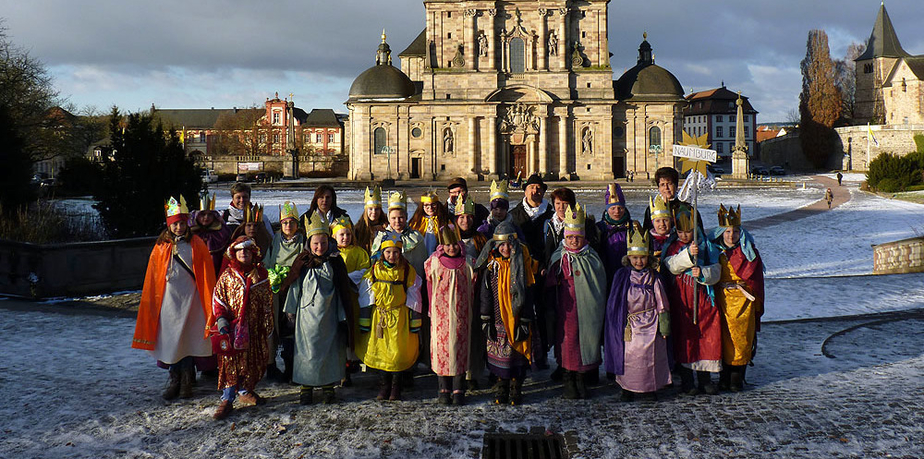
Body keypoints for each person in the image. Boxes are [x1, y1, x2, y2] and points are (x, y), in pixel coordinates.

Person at [133, 196, 217, 401]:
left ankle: (187, 380)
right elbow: (154, 276)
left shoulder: (196, 244)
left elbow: (205, 273)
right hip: (169, 301)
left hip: (191, 301)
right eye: (175, 224)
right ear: (169, 226)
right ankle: (175, 379)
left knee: (187, 340)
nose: (178, 227)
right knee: (172, 340)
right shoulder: (161, 246)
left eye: (181, 223)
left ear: (187, 223)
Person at [282, 213, 355, 405]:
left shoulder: (335, 261)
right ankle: (306, 387)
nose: (319, 247)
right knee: (306, 351)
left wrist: (342, 315)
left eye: (323, 243)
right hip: (306, 318)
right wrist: (290, 310)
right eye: (315, 244)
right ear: (309, 243)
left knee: (328, 351)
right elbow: (294, 286)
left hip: (329, 315)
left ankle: (328, 386)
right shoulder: (303, 262)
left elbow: (341, 290)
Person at [604, 221, 672, 401]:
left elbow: (662, 302)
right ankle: (627, 388)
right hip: (630, 324)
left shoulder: (654, 278)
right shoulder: (622, 276)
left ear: (647, 258)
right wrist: (617, 322)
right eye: (635, 258)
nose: (638, 261)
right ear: (629, 258)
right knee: (630, 357)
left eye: (642, 258)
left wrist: (664, 326)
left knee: (650, 359)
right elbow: (616, 302)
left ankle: (650, 388)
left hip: (651, 321)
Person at [545, 203, 607, 399]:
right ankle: (568, 379)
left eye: (577, 238)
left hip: (587, 310)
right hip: (566, 309)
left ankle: (581, 377)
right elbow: (549, 282)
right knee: (567, 343)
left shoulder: (592, 257)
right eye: (569, 237)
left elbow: (599, 283)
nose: (573, 241)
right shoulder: (559, 256)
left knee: (585, 343)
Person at [209, 236, 274, 420]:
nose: (243, 253)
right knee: (230, 363)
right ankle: (227, 398)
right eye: (239, 250)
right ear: (234, 254)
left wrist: (267, 325)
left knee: (252, 360)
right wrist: (221, 320)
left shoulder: (261, 275)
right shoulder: (227, 276)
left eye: (247, 250)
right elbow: (219, 300)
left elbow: (267, 303)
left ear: (253, 253)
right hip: (232, 329)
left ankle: (245, 390)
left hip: (253, 329)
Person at [662, 204, 722, 396]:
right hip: (682, 298)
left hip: (703, 298)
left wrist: (703, 273)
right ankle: (688, 380)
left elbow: (717, 270)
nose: (684, 235)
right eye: (680, 231)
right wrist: (688, 255)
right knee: (685, 337)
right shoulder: (673, 246)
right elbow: (670, 265)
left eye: (688, 231)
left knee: (705, 335)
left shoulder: (706, 245)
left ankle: (705, 378)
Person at [476, 221, 538, 405]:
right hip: (498, 319)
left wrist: (525, 320)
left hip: (517, 319)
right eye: (501, 244)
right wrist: (486, 319)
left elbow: (528, 294)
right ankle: (501, 385)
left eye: (509, 244)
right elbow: (485, 295)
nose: (505, 248)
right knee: (499, 358)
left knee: (516, 358)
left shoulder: (523, 265)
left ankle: (515, 387)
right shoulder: (491, 268)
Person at [356, 232, 423, 401]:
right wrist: (364, 320)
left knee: (397, 352)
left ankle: (396, 386)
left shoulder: (407, 271)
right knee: (382, 352)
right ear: (382, 253)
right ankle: (384, 385)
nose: (392, 256)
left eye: (395, 252)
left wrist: (415, 320)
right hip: (380, 316)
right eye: (388, 252)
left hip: (399, 317)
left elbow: (414, 295)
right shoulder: (375, 270)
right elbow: (366, 295)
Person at [708, 205, 765, 392]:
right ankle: (723, 376)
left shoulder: (749, 253)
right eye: (727, 231)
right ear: (721, 233)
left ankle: (737, 378)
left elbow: (756, 280)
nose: (730, 236)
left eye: (734, 231)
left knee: (740, 339)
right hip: (722, 301)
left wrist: (754, 301)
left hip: (743, 302)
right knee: (723, 339)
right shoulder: (714, 251)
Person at [424, 226, 476, 405]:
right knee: (442, 351)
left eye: (454, 244)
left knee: (459, 351)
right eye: (447, 245)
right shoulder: (434, 263)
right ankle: (443, 388)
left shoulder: (468, 263)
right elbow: (429, 284)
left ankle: (458, 388)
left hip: (461, 315)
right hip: (441, 316)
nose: (451, 248)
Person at [262, 201, 306, 383]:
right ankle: (272, 364)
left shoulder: (303, 241)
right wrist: (273, 277)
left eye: (292, 222)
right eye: (285, 223)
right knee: (275, 326)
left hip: (295, 289)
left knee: (292, 329)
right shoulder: (275, 241)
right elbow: (267, 263)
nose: (288, 226)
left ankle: (292, 367)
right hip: (276, 290)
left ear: (297, 224)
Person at [331, 215, 370, 386]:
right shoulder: (332, 254)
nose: (345, 238)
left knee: (351, 329)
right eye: (341, 235)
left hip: (352, 297)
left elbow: (365, 270)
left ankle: (351, 362)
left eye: (348, 234)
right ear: (334, 236)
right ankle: (339, 367)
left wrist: (347, 278)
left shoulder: (359, 252)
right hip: (336, 299)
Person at [371, 191, 426, 277]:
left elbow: (420, 265)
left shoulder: (416, 238)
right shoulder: (381, 237)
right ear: (389, 218)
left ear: (406, 217)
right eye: (393, 218)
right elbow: (374, 263)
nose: (397, 221)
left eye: (401, 218)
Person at [643, 167, 702, 232]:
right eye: (662, 185)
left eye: (669, 184)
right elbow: (646, 232)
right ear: (658, 187)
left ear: (676, 186)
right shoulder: (651, 209)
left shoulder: (687, 208)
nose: (666, 188)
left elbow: (698, 232)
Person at [596, 184, 631, 288]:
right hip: (605, 273)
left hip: (628, 275)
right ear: (607, 209)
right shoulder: (599, 228)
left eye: (620, 208)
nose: (617, 212)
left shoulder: (633, 226)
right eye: (613, 208)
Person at [189, 193, 231, 276]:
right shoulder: (189, 233)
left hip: (216, 271)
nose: (206, 217)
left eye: (209, 215)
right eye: (203, 214)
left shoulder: (222, 232)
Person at [225, 204, 272, 272]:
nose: (252, 228)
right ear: (244, 227)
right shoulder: (235, 244)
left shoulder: (266, 243)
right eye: (249, 225)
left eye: (255, 226)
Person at [409, 190, 452, 255]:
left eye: (433, 204)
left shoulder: (444, 220)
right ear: (422, 207)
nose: (430, 208)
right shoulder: (416, 221)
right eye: (426, 205)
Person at [354, 186, 388, 253]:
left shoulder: (387, 226)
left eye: (377, 209)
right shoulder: (358, 229)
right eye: (370, 209)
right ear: (366, 210)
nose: (374, 212)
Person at [455, 196, 487, 261]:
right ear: (456, 220)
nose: (466, 221)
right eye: (462, 217)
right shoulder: (452, 239)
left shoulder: (480, 239)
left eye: (469, 217)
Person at [648, 195, 674, 268]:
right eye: (658, 221)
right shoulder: (648, 240)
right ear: (653, 223)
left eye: (665, 220)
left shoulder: (676, 238)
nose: (662, 224)